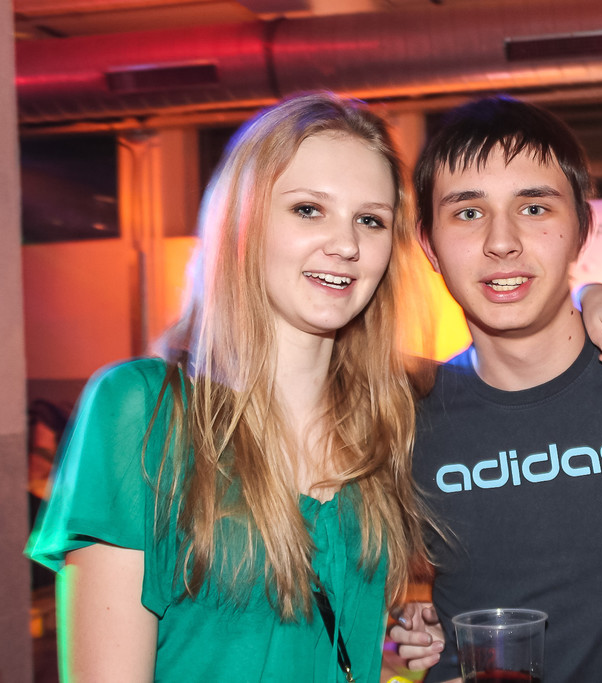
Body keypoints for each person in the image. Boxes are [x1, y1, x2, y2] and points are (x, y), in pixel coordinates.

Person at [26, 92, 435, 682]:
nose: (346, 244)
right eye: (308, 209)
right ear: (242, 223)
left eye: (370, 220)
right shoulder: (144, 411)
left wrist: (389, 642)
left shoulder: (381, 426)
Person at [391, 96, 602, 682]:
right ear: (428, 244)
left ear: (581, 227)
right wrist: (404, 623)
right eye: (467, 213)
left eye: (534, 207)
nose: (502, 241)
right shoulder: (405, 415)